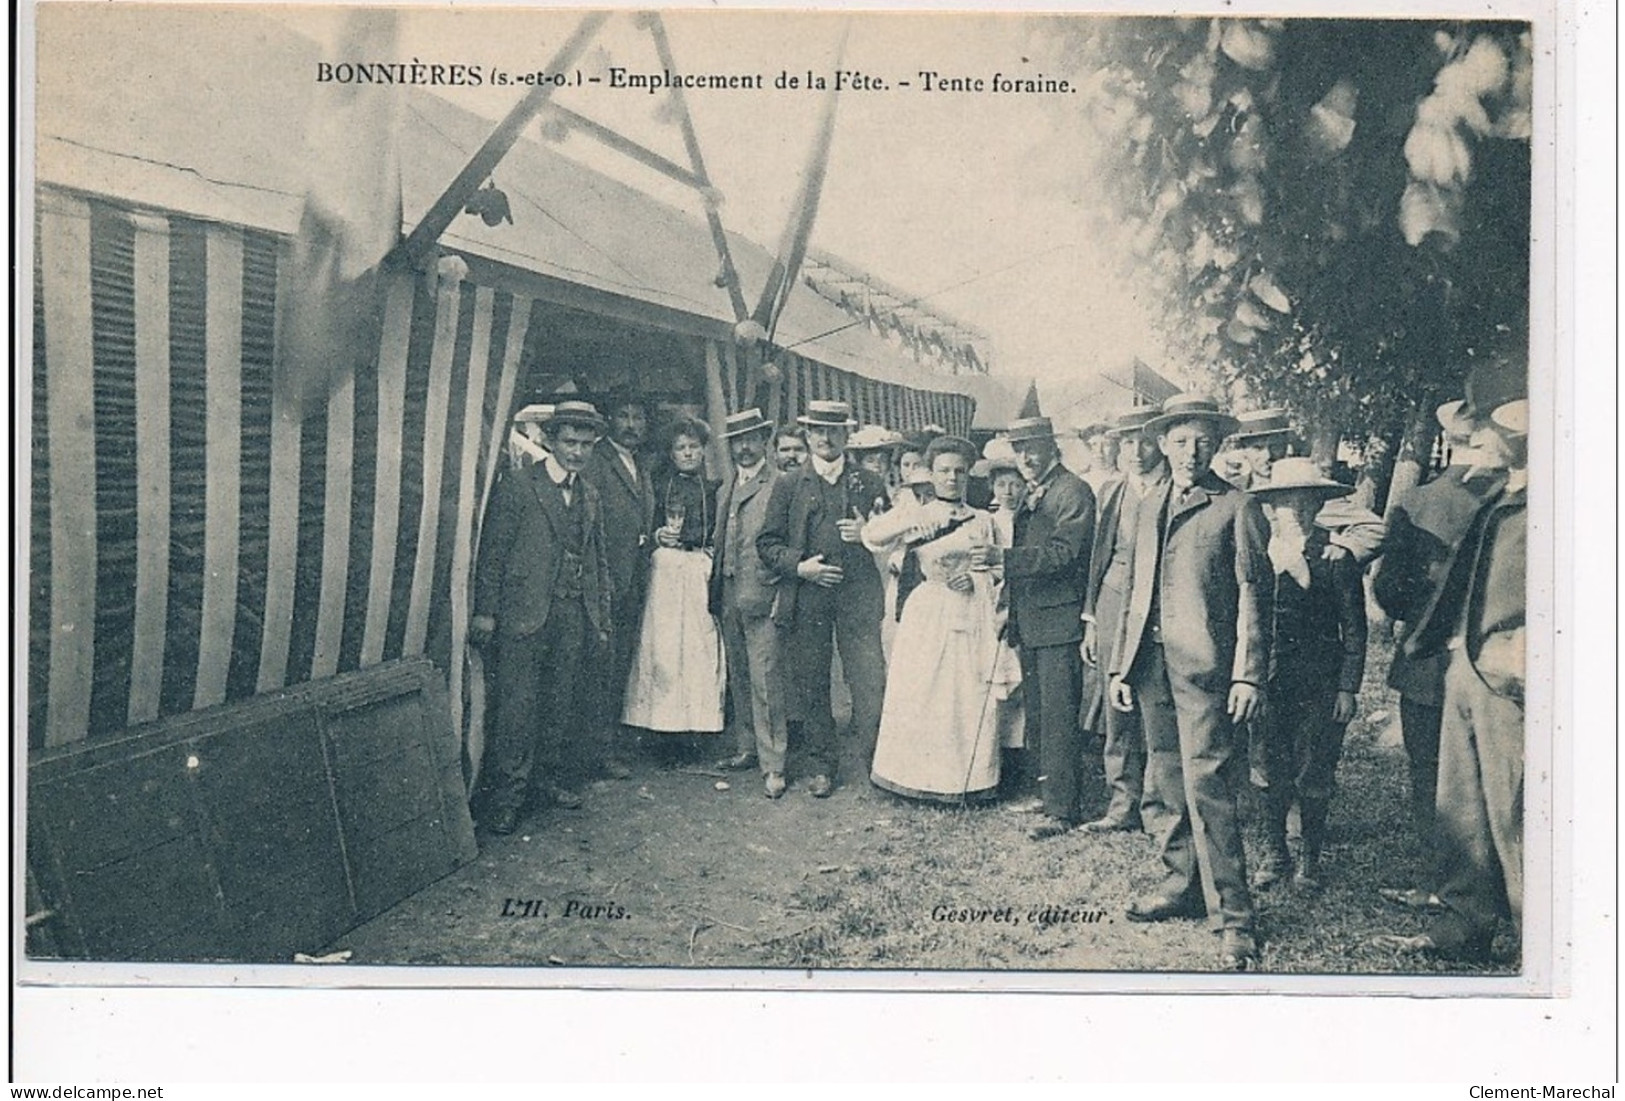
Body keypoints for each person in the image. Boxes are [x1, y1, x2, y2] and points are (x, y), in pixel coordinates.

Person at [1107, 393, 1270, 971]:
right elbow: (1132, 590)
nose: (1190, 451)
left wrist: (1247, 674)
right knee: (1164, 778)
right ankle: (1182, 884)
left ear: (1218, 444)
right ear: (1162, 444)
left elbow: (1255, 594)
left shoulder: (1237, 508)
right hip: (1150, 665)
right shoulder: (1148, 503)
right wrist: (1121, 667)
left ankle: (1235, 918)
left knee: (1210, 785)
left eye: (1202, 440)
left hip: (1206, 668)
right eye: (1180, 440)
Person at [1374, 390, 1527, 963]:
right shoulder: (1500, 494)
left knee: (1511, 808)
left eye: (1491, 425)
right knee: (1462, 804)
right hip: (1461, 664)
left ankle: (1546, 946)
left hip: (1506, 673)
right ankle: (1463, 925)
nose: (1478, 437)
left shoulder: (1556, 494)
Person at [470, 401, 614, 836]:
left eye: (587, 445)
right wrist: (485, 612)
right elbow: (492, 554)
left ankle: (543, 784)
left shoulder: (589, 493)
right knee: (517, 709)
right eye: (570, 442)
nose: (578, 452)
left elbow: (598, 560)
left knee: (557, 705)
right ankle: (507, 798)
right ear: (550, 440)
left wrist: (600, 616)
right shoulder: (518, 486)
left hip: (572, 615)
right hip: (524, 616)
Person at [757, 399, 890, 798]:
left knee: (867, 680)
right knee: (813, 682)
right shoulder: (789, 483)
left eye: (834, 431)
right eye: (818, 430)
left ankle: (876, 761)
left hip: (858, 595)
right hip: (809, 596)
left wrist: (869, 533)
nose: (826, 438)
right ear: (808, 435)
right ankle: (821, 766)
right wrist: (800, 567)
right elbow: (767, 543)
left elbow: (895, 538)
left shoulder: (868, 483)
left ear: (846, 435)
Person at [971, 415, 1096, 840]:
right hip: (1035, 618)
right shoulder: (1036, 491)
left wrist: (1005, 559)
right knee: (1041, 714)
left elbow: (1065, 553)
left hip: (1060, 620)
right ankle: (1049, 797)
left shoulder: (1072, 491)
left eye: (1033, 447)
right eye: (1019, 448)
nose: (1025, 456)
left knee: (1059, 716)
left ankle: (1063, 809)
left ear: (1051, 446)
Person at [862, 436, 1006, 802]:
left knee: (964, 693)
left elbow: (999, 569)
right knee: (922, 691)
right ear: (932, 473)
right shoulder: (918, 514)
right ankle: (915, 776)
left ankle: (965, 780)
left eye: (960, 471)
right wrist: (909, 520)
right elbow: (871, 536)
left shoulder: (984, 519)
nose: (952, 478)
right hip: (928, 610)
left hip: (971, 612)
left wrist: (975, 578)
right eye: (944, 471)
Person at [1248, 459, 1369, 892]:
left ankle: (1309, 860)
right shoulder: (1258, 554)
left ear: (1318, 504)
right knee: (1267, 767)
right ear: (1271, 507)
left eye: (1305, 501)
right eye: (1285, 502)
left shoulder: (1336, 556)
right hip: (1268, 679)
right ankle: (1274, 852)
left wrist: (1347, 687)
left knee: (1314, 769)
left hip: (1319, 681)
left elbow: (1354, 628)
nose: (1295, 510)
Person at [1078, 406, 1167, 834]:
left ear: (1160, 443)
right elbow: (1099, 556)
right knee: (1115, 704)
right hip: (1113, 602)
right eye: (1127, 441)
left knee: (1152, 701)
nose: (1135, 451)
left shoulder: (1173, 487)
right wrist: (1093, 617)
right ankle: (1121, 802)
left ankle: (1157, 805)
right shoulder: (1112, 491)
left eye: (1144, 441)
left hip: (1159, 606)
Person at [622, 416, 727, 744]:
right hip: (667, 570)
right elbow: (647, 524)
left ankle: (699, 726)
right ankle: (661, 729)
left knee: (699, 644)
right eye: (680, 448)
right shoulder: (659, 483)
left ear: (703, 450)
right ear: (671, 453)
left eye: (693, 447)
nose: (687, 453)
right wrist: (658, 534)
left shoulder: (714, 486)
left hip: (698, 567)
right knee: (664, 645)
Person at [708, 408, 791, 799]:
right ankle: (747, 747)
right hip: (728, 593)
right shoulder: (726, 486)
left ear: (765, 441)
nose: (744, 447)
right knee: (740, 675)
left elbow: (789, 543)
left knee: (766, 680)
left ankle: (774, 764)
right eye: (737, 441)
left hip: (763, 595)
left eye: (751, 439)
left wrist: (779, 585)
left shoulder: (780, 484)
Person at [582, 388, 657, 779]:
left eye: (638, 417)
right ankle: (597, 752)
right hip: (606, 583)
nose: (631, 425)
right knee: (599, 671)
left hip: (633, 584)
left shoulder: (640, 463)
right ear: (610, 420)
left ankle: (608, 744)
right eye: (624, 416)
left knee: (618, 666)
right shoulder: (596, 460)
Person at [1224, 408, 1385, 564]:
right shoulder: (1230, 491)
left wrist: (1345, 549)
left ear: (1286, 445)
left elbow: (1375, 528)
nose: (1267, 456)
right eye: (1257, 448)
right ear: (1244, 450)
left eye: (1275, 446)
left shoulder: (1307, 488)